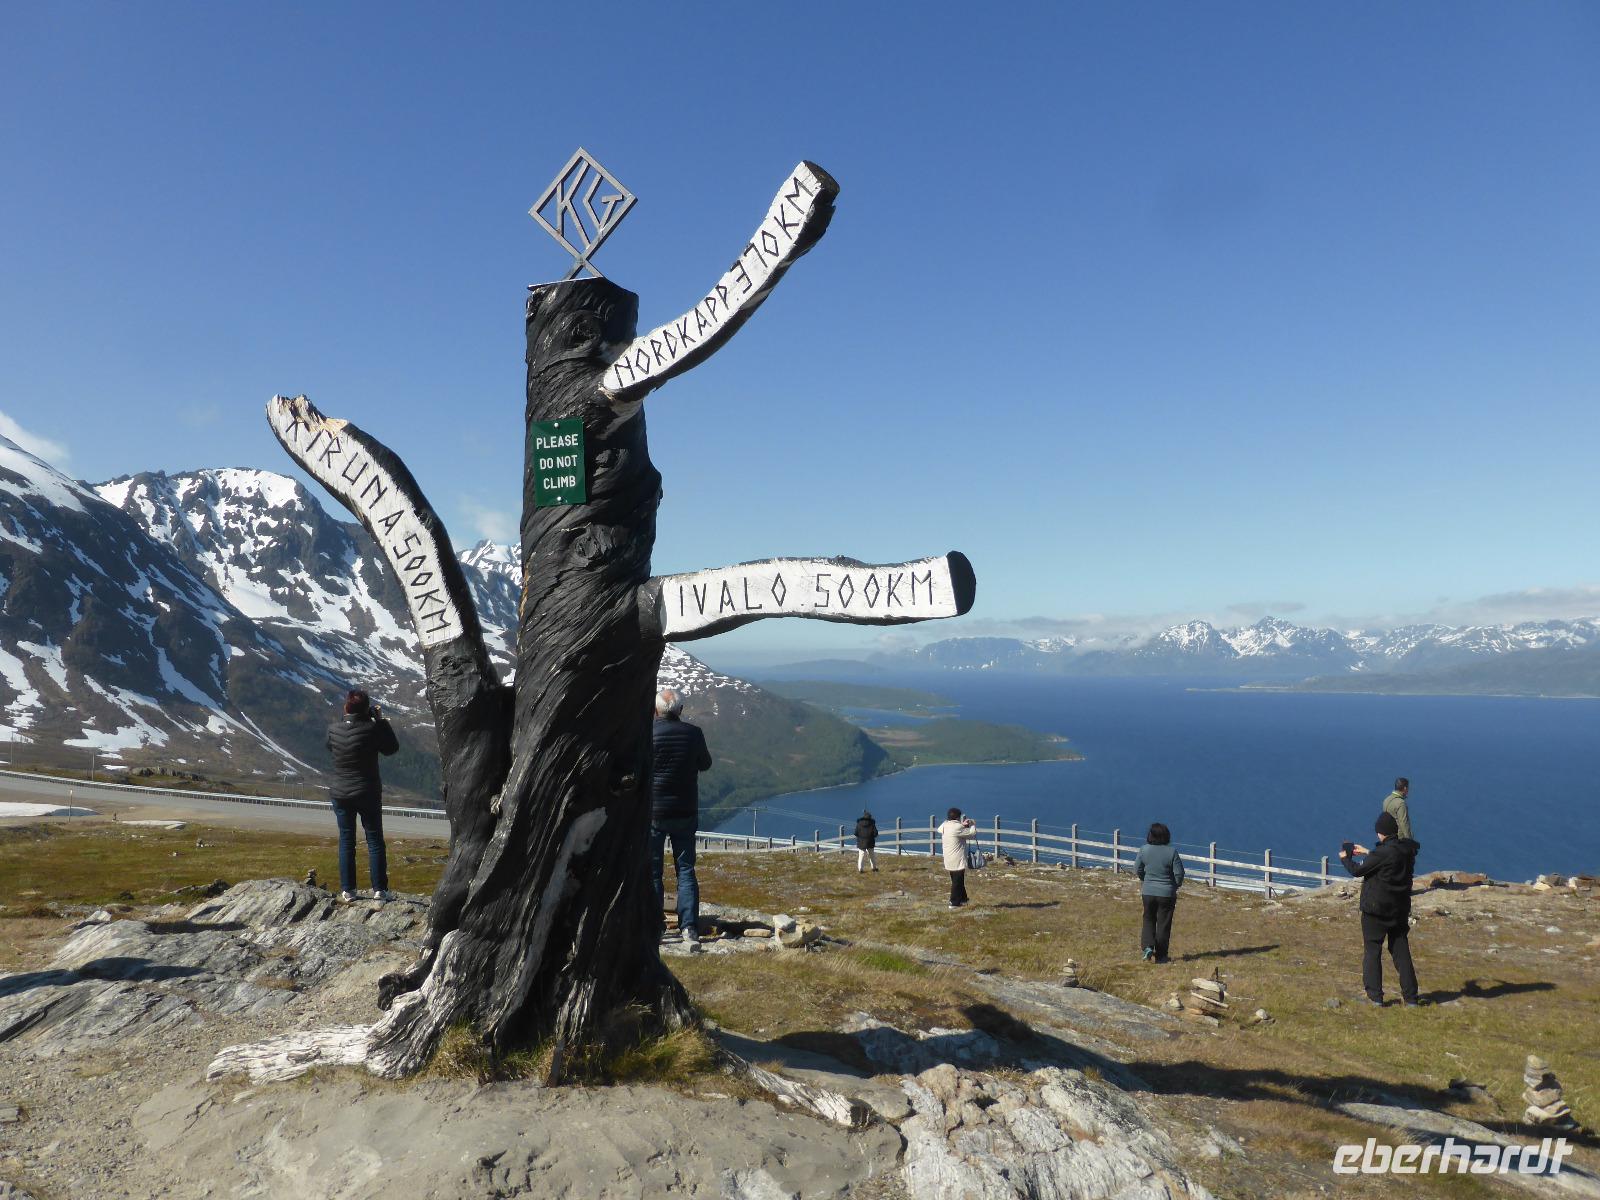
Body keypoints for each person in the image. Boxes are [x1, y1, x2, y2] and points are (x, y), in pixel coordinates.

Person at [650, 688, 712, 952]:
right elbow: (705, 764)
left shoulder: (648, 733)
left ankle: (654, 928)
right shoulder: (693, 733)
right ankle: (689, 928)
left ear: (656, 711)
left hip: (654, 812)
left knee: (653, 872)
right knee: (685, 870)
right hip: (686, 810)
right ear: (680, 710)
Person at [1340, 811, 1422, 1006]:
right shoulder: (1406, 851)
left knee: (1372, 951)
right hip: (1399, 910)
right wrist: (1369, 852)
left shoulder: (1382, 853)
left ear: (1380, 833)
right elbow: (1389, 858)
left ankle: (1375, 997)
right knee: (1401, 951)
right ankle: (1411, 998)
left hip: (1376, 911)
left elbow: (1357, 871)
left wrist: (1345, 857)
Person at [325, 689, 399, 902]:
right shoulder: (372, 729)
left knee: (346, 840)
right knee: (374, 839)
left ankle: (348, 890)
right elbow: (392, 748)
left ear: (346, 708)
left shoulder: (333, 730)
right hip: (367, 792)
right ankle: (380, 890)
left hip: (340, 792)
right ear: (367, 709)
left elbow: (333, 745)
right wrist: (381, 721)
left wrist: (348, 718)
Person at [1135, 822, 1185, 963]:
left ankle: (1147, 947)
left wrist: (1145, 880)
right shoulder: (1172, 852)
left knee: (1148, 919)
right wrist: (1174, 886)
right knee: (1164, 923)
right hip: (1167, 893)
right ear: (1166, 836)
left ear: (1150, 835)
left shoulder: (1143, 850)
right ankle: (1161, 955)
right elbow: (1179, 874)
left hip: (1148, 892)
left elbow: (1137, 869)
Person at [939, 807, 978, 908]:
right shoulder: (957, 828)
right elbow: (972, 834)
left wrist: (962, 825)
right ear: (958, 817)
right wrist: (973, 825)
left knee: (957, 879)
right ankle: (954, 903)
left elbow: (940, 829)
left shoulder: (945, 825)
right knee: (957, 881)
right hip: (957, 858)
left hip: (948, 857)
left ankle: (963, 899)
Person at [1382, 777, 1414, 842]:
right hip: (1399, 839)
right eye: (1408, 788)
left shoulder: (1386, 799)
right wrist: (1410, 841)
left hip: (1387, 837)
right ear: (1405, 788)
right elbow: (1404, 823)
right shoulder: (1401, 803)